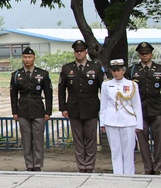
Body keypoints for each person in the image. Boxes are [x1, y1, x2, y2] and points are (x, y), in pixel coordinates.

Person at [58, 40, 104, 173]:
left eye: (81, 51)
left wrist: (103, 108)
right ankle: (81, 166)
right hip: (74, 108)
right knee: (78, 139)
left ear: (86, 52)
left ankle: (89, 166)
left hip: (91, 108)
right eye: (77, 51)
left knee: (90, 139)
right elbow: (61, 90)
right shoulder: (67, 68)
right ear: (74, 52)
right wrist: (63, 108)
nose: (79, 53)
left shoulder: (95, 67)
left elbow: (103, 89)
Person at [9, 47, 53, 172]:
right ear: (22, 58)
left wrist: (48, 112)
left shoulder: (43, 74)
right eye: (25, 57)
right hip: (23, 110)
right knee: (26, 140)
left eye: (29, 57)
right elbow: (13, 95)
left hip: (38, 109)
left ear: (34, 58)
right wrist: (14, 112)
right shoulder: (17, 75)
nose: (27, 59)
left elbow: (48, 94)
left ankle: (38, 164)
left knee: (38, 139)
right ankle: (29, 164)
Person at [100, 59, 143, 175]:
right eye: (113, 71)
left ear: (123, 71)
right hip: (111, 120)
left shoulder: (132, 84)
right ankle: (118, 174)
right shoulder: (106, 84)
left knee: (128, 151)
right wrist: (102, 122)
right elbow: (103, 105)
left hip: (128, 120)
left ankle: (129, 174)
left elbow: (137, 105)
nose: (116, 73)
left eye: (118, 70)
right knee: (115, 150)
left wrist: (139, 123)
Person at [131, 42, 161, 175]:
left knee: (159, 141)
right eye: (142, 54)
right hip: (140, 111)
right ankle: (148, 168)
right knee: (143, 142)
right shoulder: (133, 70)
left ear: (151, 54)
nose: (144, 56)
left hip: (157, 109)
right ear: (139, 55)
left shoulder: (159, 69)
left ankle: (158, 167)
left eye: (147, 53)